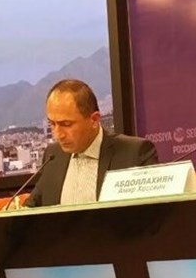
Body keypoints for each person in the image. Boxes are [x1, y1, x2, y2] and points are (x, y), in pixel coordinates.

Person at [25, 79, 158, 207]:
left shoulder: (134, 153)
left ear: (94, 120)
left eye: (66, 124)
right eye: (52, 124)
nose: (58, 134)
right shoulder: (53, 155)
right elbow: (33, 205)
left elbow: (153, 214)